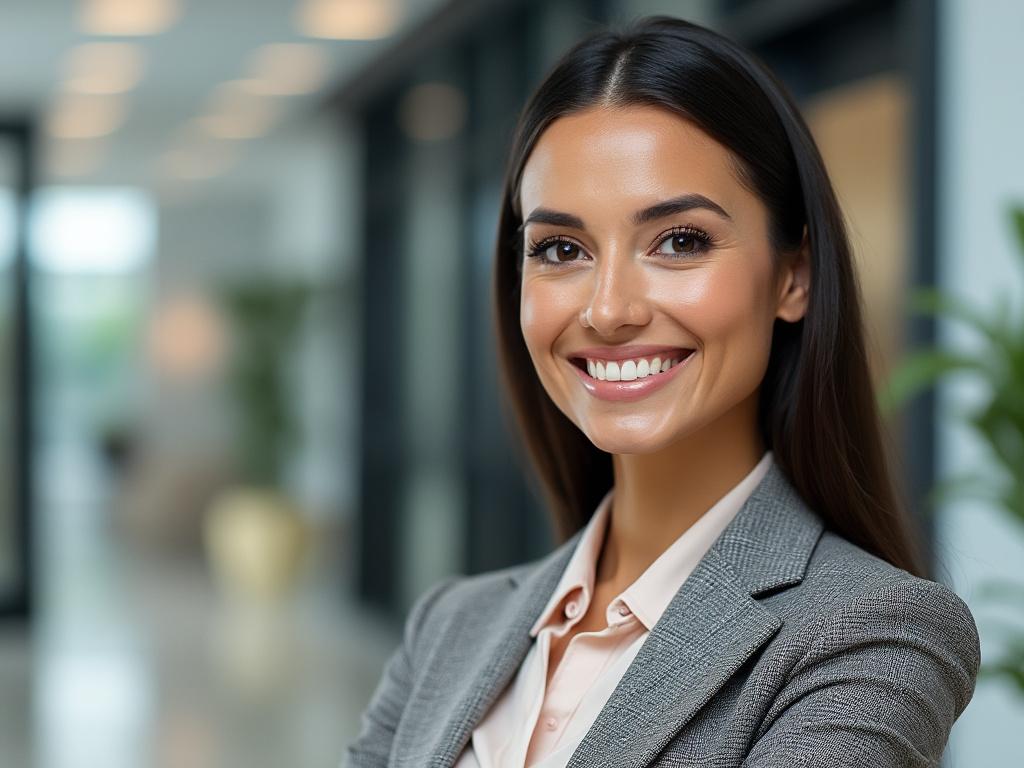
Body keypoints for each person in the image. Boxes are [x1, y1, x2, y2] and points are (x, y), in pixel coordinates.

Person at [344, 15, 980, 768]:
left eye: (680, 240)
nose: (609, 309)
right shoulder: (450, 627)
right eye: (561, 249)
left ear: (794, 275)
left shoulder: (872, 633)